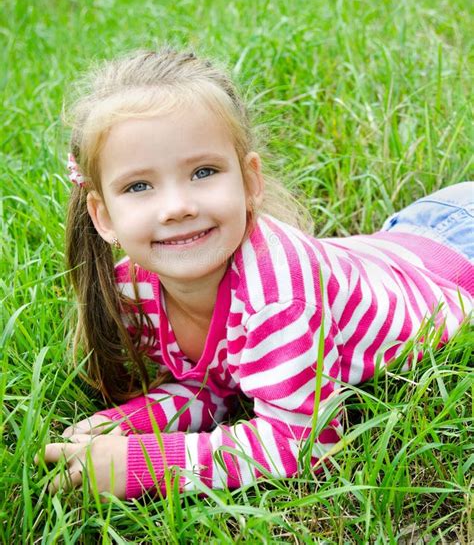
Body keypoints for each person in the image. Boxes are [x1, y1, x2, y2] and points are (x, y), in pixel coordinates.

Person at [36, 49, 473, 500]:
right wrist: (129, 424)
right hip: (408, 237)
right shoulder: (134, 289)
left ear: (250, 182)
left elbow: (305, 443)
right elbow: (216, 385)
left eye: (203, 172)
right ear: (103, 216)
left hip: (459, 256)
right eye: (138, 186)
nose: (176, 207)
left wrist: (146, 463)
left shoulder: (278, 298)